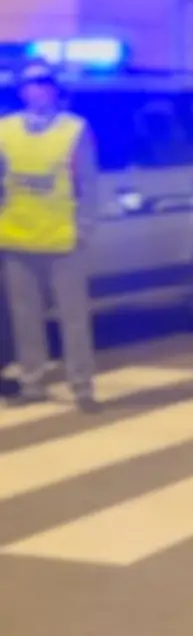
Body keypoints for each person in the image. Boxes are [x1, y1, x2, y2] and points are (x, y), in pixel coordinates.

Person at [0, 59, 98, 410]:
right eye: (31, 85)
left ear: (54, 90)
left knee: (74, 319)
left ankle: (82, 387)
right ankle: (33, 383)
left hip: (62, 239)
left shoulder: (74, 129)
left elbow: (88, 183)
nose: (38, 91)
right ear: (22, 91)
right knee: (25, 317)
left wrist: (85, 227)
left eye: (44, 84)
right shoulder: (5, 129)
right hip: (17, 239)